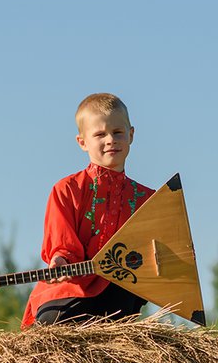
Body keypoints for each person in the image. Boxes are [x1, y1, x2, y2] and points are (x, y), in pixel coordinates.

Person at [21, 93, 153, 328]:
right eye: (100, 134)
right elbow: (62, 245)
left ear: (131, 135)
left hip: (118, 294)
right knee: (53, 324)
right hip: (72, 287)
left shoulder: (149, 200)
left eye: (118, 132)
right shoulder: (66, 190)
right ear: (82, 142)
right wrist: (60, 260)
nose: (111, 139)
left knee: (124, 296)